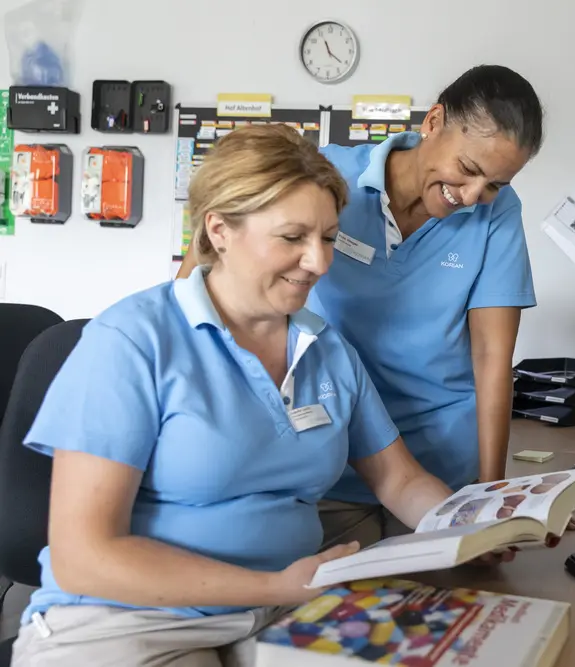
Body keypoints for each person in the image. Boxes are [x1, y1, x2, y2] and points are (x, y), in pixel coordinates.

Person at [11, 124, 482, 667]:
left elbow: (399, 480)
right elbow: (82, 558)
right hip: (129, 620)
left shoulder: (326, 350)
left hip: (281, 613)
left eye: (328, 238)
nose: (319, 263)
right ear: (219, 230)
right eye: (293, 238)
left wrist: (474, 524)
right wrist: (273, 587)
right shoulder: (130, 342)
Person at [178, 64, 552, 550]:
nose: (474, 197)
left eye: (495, 184)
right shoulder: (329, 179)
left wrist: (489, 494)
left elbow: (491, 357)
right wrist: (179, 332)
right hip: (328, 443)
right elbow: (200, 276)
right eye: (469, 170)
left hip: (434, 462)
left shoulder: (494, 213)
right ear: (433, 122)